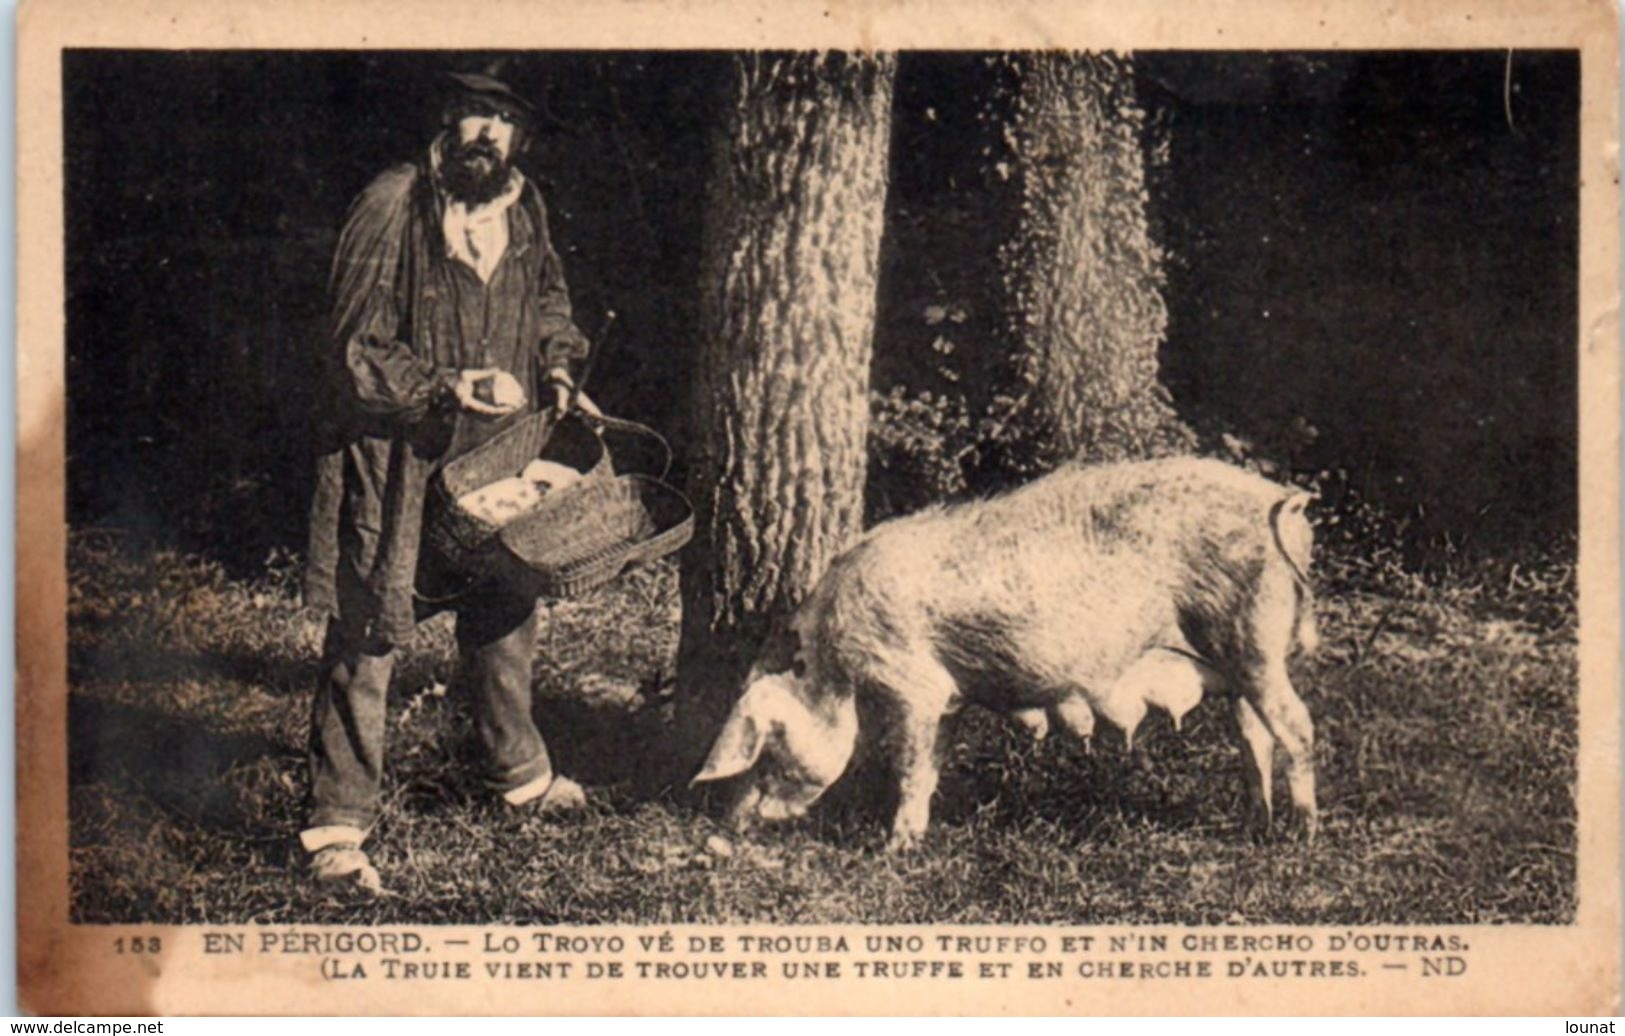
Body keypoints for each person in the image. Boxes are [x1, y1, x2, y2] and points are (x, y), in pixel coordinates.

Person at [301, 72, 592, 892]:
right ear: (447, 120)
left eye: (507, 120)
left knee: (506, 603)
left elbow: (549, 305)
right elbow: (351, 349)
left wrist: (560, 368)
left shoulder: (523, 209)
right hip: (396, 455)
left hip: (494, 457)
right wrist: (444, 386)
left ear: (521, 140)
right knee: (372, 621)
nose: (489, 135)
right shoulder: (393, 204)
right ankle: (337, 828)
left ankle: (519, 776)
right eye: (479, 114)